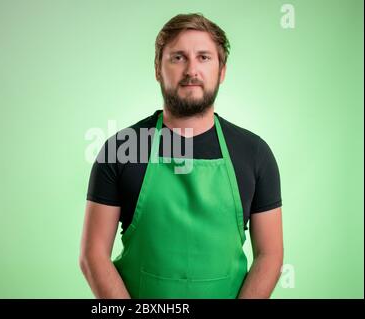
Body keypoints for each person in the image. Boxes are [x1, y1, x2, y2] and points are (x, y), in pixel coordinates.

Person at [79, 13, 283, 299]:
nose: (191, 70)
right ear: (157, 69)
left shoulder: (254, 153)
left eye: (203, 57)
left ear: (222, 71)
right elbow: (93, 256)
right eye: (178, 58)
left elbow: (270, 255)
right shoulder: (121, 150)